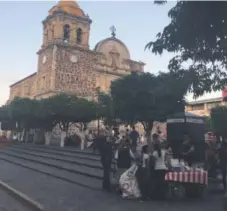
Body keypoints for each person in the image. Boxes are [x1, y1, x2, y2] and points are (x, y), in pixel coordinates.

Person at [152, 133, 168, 199]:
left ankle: (157, 196)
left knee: (157, 183)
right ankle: (163, 195)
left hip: (157, 169)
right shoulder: (164, 152)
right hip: (163, 168)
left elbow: (153, 162)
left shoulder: (154, 153)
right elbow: (166, 160)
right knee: (163, 183)